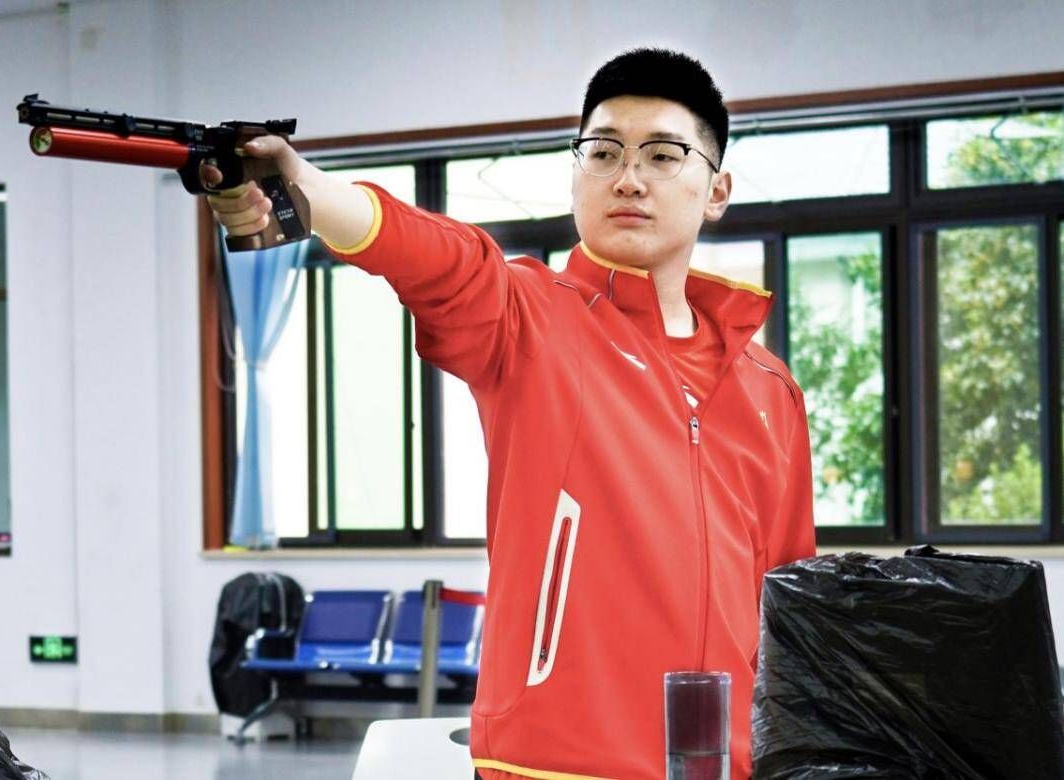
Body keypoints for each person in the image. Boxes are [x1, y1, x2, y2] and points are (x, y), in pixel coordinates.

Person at [205, 47, 816, 780]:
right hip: (551, 765)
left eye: (662, 155)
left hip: (727, 766)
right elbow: (443, 261)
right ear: (576, 174)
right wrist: (309, 190)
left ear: (716, 190)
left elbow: (791, 604)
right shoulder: (531, 320)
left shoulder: (769, 389)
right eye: (603, 153)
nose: (628, 178)